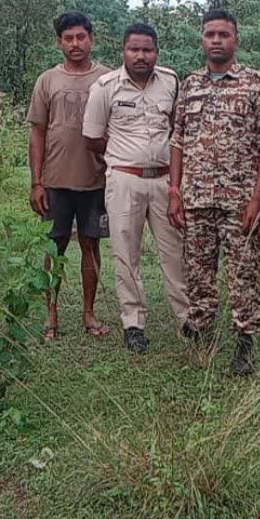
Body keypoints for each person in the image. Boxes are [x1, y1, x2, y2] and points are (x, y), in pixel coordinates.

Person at [168, 9, 260, 375]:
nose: (216, 40)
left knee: (243, 274)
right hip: (196, 197)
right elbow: (178, 140)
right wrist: (174, 191)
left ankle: (245, 345)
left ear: (236, 39)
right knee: (197, 272)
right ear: (202, 39)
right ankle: (202, 334)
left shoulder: (256, 83)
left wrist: (258, 199)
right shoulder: (191, 84)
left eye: (223, 34)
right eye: (210, 34)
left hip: (240, 200)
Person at [83, 22, 189, 353]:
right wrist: (122, 156)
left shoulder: (171, 82)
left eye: (147, 50)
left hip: (164, 181)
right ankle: (133, 323)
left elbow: (177, 130)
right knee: (126, 254)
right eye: (134, 49)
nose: (141, 56)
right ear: (123, 51)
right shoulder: (105, 86)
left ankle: (187, 320)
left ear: (156, 52)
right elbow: (92, 137)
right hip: (125, 180)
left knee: (175, 252)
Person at [27, 11, 113, 339]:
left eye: (81, 37)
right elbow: (37, 133)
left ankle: (89, 314)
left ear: (91, 38)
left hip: (96, 180)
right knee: (54, 249)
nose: (75, 44)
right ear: (59, 42)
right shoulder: (47, 80)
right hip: (55, 181)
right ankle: (51, 314)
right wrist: (37, 182)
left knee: (91, 246)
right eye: (68, 38)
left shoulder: (107, 79)